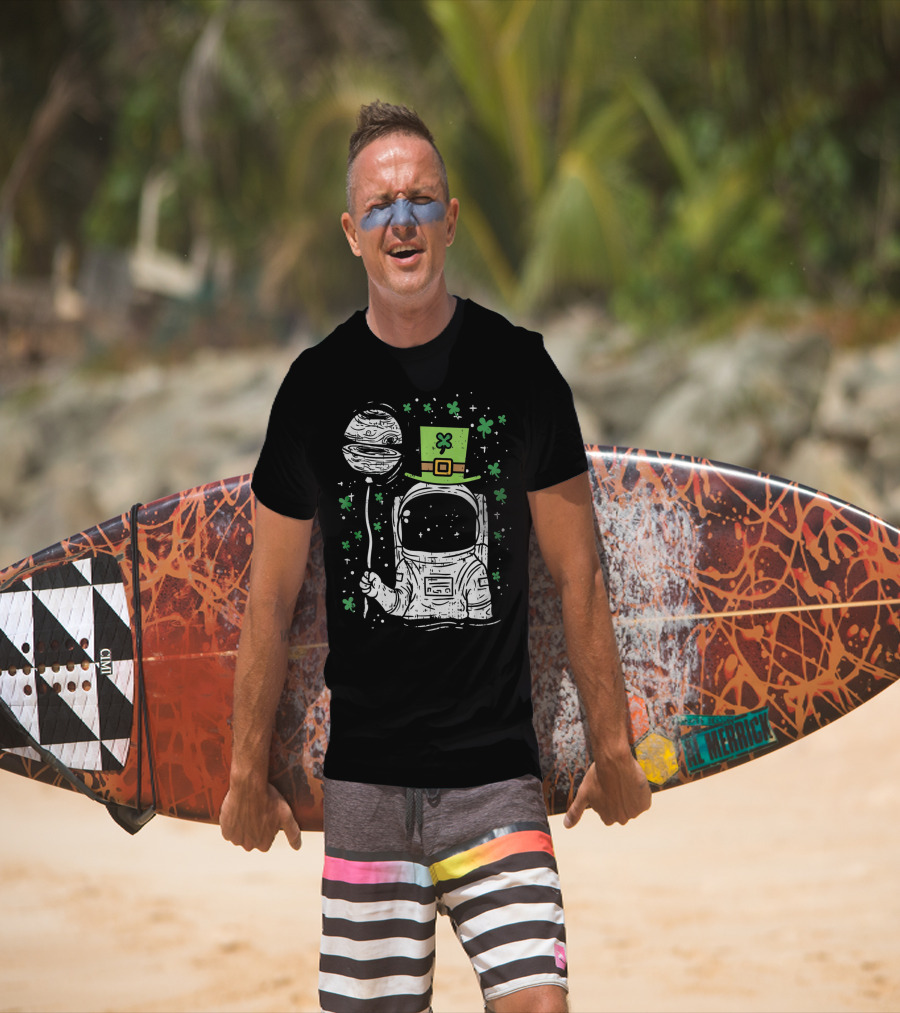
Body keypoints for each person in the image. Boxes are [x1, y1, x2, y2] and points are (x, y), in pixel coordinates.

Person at [220, 100, 651, 1013]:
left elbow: (579, 575)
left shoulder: (521, 372)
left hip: (496, 780)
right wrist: (242, 772)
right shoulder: (314, 390)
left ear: (451, 219)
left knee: (540, 1003)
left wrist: (612, 746)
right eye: (380, 206)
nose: (402, 220)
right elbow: (269, 600)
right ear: (351, 233)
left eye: (421, 200)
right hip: (367, 787)